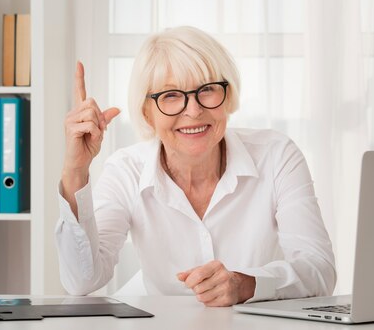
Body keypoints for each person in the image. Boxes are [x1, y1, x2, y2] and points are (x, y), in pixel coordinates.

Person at [55, 26, 336, 307]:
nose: (193, 111)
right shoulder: (126, 170)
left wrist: (246, 284)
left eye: (208, 90)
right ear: (146, 113)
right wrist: (75, 170)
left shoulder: (277, 155)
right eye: (171, 95)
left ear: (227, 96)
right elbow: (81, 281)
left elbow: (319, 269)